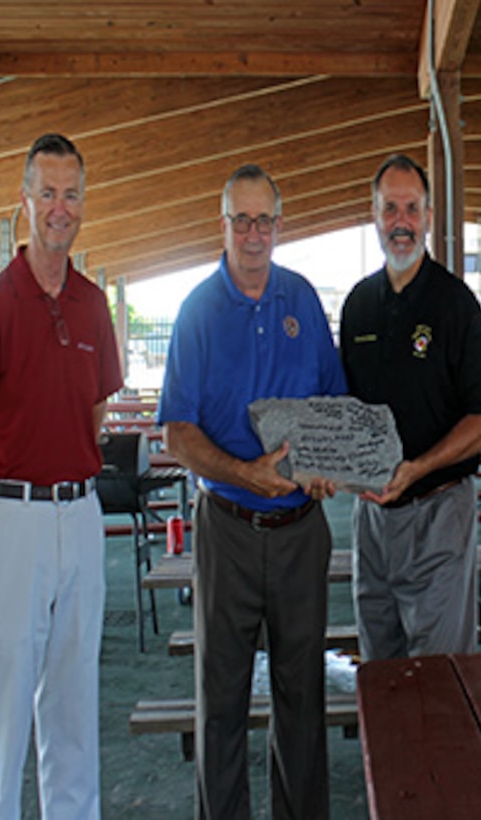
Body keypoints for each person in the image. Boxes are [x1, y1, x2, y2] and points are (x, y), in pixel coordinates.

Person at [158, 163, 346, 819]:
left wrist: (326, 464)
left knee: (303, 702)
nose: (252, 232)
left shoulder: (301, 300)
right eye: (240, 219)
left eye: (263, 219)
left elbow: (333, 405)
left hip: (300, 531)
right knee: (222, 703)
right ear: (223, 225)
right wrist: (246, 474)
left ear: (278, 225)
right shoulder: (197, 311)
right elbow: (175, 436)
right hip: (227, 531)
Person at [0, 133, 123, 819]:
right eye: (46, 193)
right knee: (8, 713)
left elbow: (97, 411)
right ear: (24, 203)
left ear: (83, 203)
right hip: (11, 520)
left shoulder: (91, 305)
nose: (60, 206)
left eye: (71, 193)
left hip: (79, 517)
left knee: (74, 708)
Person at [339, 153, 481, 661]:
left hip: (438, 511)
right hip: (371, 519)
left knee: (440, 676)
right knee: (379, 663)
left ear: (429, 217)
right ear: (374, 215)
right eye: (390, 209)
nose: (401, 222)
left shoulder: (456, 304)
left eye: (412, 208)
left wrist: (417, 469)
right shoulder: (358, 304)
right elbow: (343, 409)